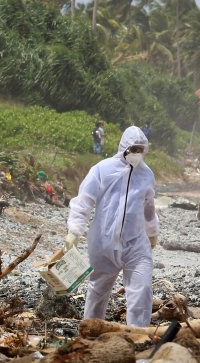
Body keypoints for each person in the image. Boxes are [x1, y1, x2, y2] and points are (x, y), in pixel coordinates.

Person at [65, 126, 159, 327]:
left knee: (142, 289)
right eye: (134, 148)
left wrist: (152, 232)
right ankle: (90, 331)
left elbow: (149, 207)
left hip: (136, 244)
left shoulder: (146, 174)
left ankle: (138, 337)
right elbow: (84, 200)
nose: (137, 153)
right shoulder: (102, 169)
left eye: (141, 150)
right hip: (103, 242)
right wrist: (74, 230)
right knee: (98, 290)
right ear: (124, 147)